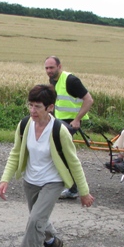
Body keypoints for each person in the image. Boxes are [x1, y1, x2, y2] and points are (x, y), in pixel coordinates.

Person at [0, 85, 94, 247]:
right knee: (39, 221)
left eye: (38, 106)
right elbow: (16, 153)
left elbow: (74, 162)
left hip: (53, 181)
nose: (32, 110)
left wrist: (84, 192)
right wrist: (5, 178)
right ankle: (53, 244)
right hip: (30, 181)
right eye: (30, 105)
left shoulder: (60, 130)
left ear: (50, 107)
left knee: (34, 220)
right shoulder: (24, 125)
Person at [44, 55, 93, 199]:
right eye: (46, 68)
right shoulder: (53, 79)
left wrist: (77, 119)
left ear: (60, 67)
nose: (49, 71)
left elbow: (89, 100)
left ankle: (71, 187)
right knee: (57, 150)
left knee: (59, 149)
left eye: (51, 67)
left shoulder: (71, 80)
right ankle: (66, 185)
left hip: (71, 122)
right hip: (60, 120)